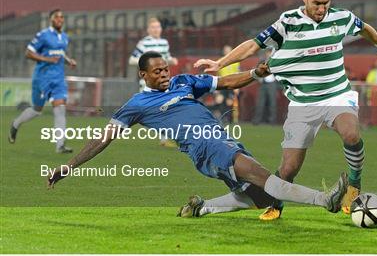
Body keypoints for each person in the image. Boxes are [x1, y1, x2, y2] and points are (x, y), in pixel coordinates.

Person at [194, 0, 377, 220]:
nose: (322, 8)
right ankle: (275, 203)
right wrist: (220, 63)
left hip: (336, 95)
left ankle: (354, 184)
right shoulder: (287, 22)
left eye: (326, 2)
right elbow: (253, 44)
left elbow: (365, 28)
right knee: (288, 168)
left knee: (351, 132)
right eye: (316, 3)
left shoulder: (341, 18)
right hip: (302, 104)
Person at [47, 52, 348, 218]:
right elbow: (103, 138)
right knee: (262, 176)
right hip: (206, 146)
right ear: (143, 76)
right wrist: (69, 166)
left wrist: (256, 73)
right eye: (157, 72)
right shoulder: (135, 105)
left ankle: (201, 208)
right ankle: (326, 200)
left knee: (259, 197)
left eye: (165, 69)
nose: (164, 74)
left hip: (219, 138)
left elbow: (226, 82)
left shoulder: (184, 82)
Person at [8, 9, 77, 153]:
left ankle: (60, 145)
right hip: (43, 77)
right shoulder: (43, 35)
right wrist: (47, 59)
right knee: (36, 110)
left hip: (58, 78)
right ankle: (15, 123)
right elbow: (28, 52)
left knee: (60, 108)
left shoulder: (64, 37)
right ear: (51, 19)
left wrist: (69, 61)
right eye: (56, 17)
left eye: (62, 17)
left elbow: (60, 54)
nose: (60, 19)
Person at [129, 17, 178, 147]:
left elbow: (166, 58)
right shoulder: (143, 43)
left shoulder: (164, 43)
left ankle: (164, 139)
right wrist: (147, 62)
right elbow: (132, 60)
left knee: (165, 108)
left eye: (158, 27)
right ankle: (137, 119)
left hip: (162, 82)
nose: (157, 29)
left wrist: (172, 60)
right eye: (154, 27)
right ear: (149, 29)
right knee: (149, 110)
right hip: (148, 83)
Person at [253, 50, 278, 125]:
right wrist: (259, 78)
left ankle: (272, 121)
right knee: (260, 103)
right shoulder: (262, 62)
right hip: (263, 84)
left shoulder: (275, 62)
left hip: (272, 84)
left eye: (270, 52)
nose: (268, 54)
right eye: (267, 52)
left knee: (272, 103)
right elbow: (256, 71)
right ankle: (256, 120)